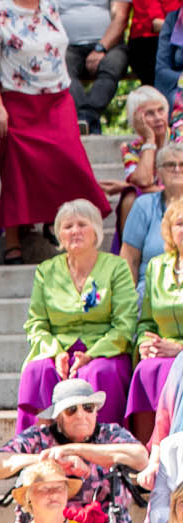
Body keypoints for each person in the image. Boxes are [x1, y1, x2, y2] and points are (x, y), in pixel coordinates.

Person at [0, 0, 111, 263]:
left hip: (57, 99)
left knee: (69, 160)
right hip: (18, 101)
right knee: (16, 167)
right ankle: (12, 239)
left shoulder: (50, 6)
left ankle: (57, 221)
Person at [0, 376, 148, 523]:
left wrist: (75, 449)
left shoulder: (110, 433)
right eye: (71, 410)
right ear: (58, 416)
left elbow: (140, 457)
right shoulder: (39, 437)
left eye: (88, 407)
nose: (81, 415)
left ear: (96, 412)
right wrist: (51, 460)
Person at [16, 200, 138, 431]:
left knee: (99, 372)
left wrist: (91, 355)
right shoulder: (46, 270)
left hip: (103, 349)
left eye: (82, 224)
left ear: (96, 231)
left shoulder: (116, 267)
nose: (75, 231)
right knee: (37, 370)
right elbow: (36, 322)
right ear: (59, 235)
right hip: (58, 349)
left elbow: (125, 323)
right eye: (67, 226)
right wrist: (56, 352)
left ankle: (101, 442)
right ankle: (39, 442)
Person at [131, 200, 183, 442]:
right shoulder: (156, 266)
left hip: (179, 352)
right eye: (180, 223)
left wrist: (179, 349)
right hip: (162, 351)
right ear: (170, 231)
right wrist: (145, 344)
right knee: (146, 370)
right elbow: (146, 322)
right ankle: (146, 451)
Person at [108, 86, 170, 253]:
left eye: (161, 110)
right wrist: (150, 140)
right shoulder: (131, 148)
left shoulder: (179, 139)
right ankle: (130, 257)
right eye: (149, 113)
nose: (158, 117)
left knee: (130, 191)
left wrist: (126, 185)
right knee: (130, 197)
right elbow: (143, 180)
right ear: (137, 120)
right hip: (155, 204)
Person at [61, 0, 130, 133]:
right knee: (60, 67)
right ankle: (87, 119)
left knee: (113, 64)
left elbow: (121, 17)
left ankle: (86, 117)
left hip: (110, 45)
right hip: (68, 47)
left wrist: (101, 48)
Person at [118, 142, 183, 276]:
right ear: (158, 173)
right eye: (170, 165)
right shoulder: (144, 206)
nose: (177, 169)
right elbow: (130, 259)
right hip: (149, 287)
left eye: (182, 164)